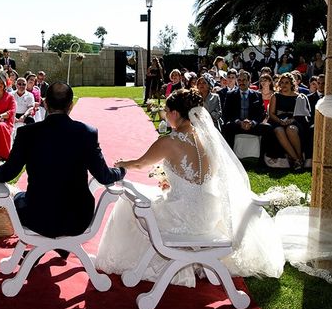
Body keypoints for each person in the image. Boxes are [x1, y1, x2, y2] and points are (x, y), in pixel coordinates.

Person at [95, 89, 284, 286]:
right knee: (149, 197)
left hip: (182, 215)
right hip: (209, 215)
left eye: (166, 110)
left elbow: (140, 164)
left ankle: (126, 262)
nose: (164, 114)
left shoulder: (169, 141)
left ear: (175, 113)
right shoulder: (210, 140)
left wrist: (121, 164)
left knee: (127, 202)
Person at [0, 82, 125, 239]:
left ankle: (50, 248)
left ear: (45, 104)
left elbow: (8, 172)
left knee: (20, 198)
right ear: (71, 106)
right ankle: (61, 248)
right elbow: (104, 176)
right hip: (77, 218)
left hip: (38, 216)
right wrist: (121, 171)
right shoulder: (86, 133)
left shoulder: (27, 133)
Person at [221, 70, 272, 156]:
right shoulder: (230, 94)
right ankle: (230, 157)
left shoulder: (257, 95)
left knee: (268, 128)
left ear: (249, 81)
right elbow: (226, 113)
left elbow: (261, 114)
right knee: (227, 126)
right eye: (239, 80)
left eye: (244, 80)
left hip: (252, 125)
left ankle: (263, 158)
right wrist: (239, 122)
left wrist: (252, 123)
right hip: (237, 124)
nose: (241, 82)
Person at [267, 72, 310, 171]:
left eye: (286, 82)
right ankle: (297, 160)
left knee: (291, 130)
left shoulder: (299, 97)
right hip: (278, 120)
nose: (284, 85)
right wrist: (280, 121)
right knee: (279, 131)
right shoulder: (275, 96)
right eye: (281, 82)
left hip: (295, 120)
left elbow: (301, 113)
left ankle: (299, 157)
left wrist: (291, 120)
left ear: (292, 84)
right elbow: (271, 113)